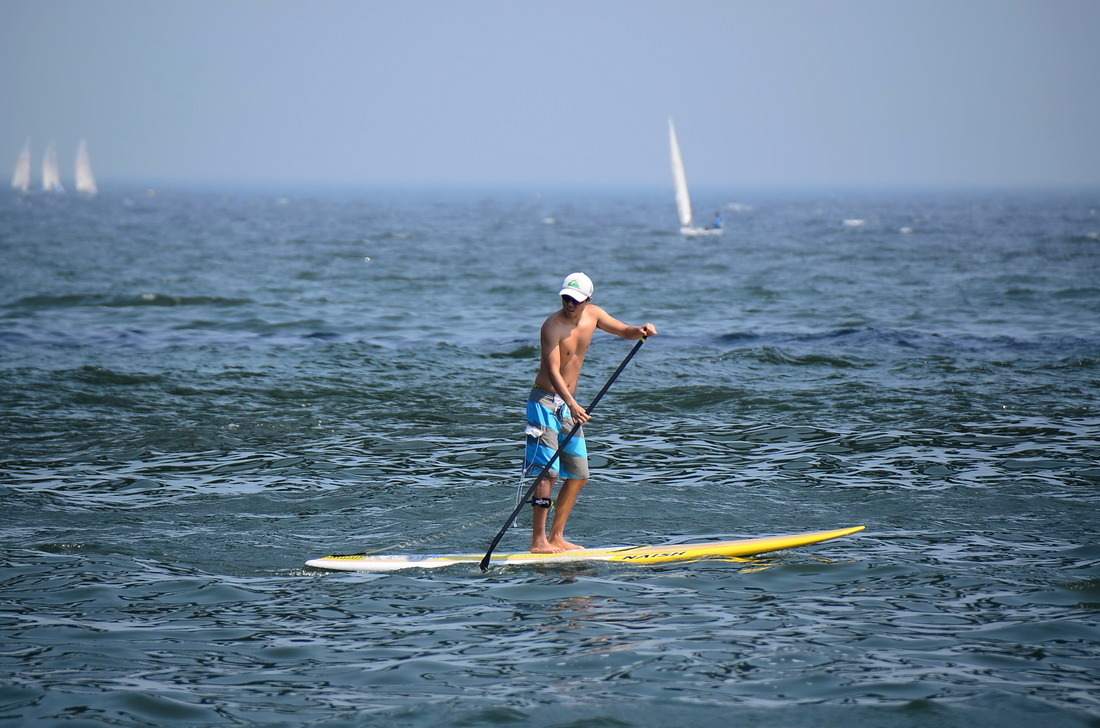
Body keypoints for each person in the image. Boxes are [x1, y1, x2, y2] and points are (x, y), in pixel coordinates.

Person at [523, 272, 658, 553]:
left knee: (579, 474)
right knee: (548, 474)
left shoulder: (594, 315)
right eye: (565, 298)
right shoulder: (551, 326)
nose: (569, 304)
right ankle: (538, 541)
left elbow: (624, 331)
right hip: (545, 402)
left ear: (588, 300)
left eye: (575, 299)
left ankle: (557, 536)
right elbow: (552, 371)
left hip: (569, 405)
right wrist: (572, 404)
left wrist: (640, 330)